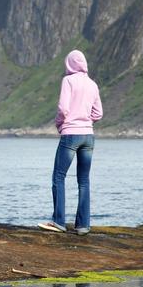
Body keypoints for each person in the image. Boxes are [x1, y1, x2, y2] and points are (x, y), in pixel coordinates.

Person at [38, 49, 103, 235]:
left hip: (70, 134)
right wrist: (86, 121)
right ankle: (83, 226)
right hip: (88, 136)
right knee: (84, 180)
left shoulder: (68, 81)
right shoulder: (93, 84)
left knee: (58, 176)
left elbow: (63, 108)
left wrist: (60, 125)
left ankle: (58, 221)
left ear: (70, 64)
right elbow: (98, 113)